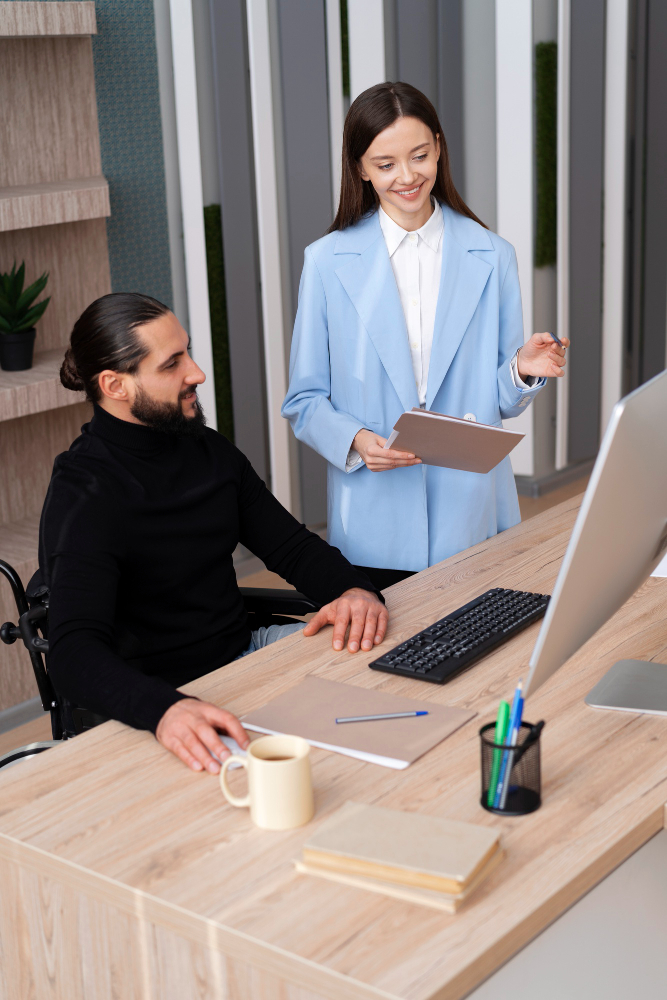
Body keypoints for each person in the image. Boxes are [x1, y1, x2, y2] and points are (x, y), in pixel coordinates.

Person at [40, 292, 387, 774]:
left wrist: (353, 591)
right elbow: (73, 655)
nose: (197, 374)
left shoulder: (208, 451)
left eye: (189, 352)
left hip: (244, 655)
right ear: (114, 385)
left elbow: (290, 546)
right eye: (172, 364)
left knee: (390, 670)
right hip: (157, 698)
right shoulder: (85, 492)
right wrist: (163, 710)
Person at [282, 82, 569, 591]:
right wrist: (354, 441)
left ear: (438, 147)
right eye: (386, 163)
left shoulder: (492, 254)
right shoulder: (325, 262)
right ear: (361, 168)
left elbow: (500, 401)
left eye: (420, 156)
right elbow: (305, 399)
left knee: (482, 653)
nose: (408, 176)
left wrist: (521, 370)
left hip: (472, 508)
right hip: (375, 512)